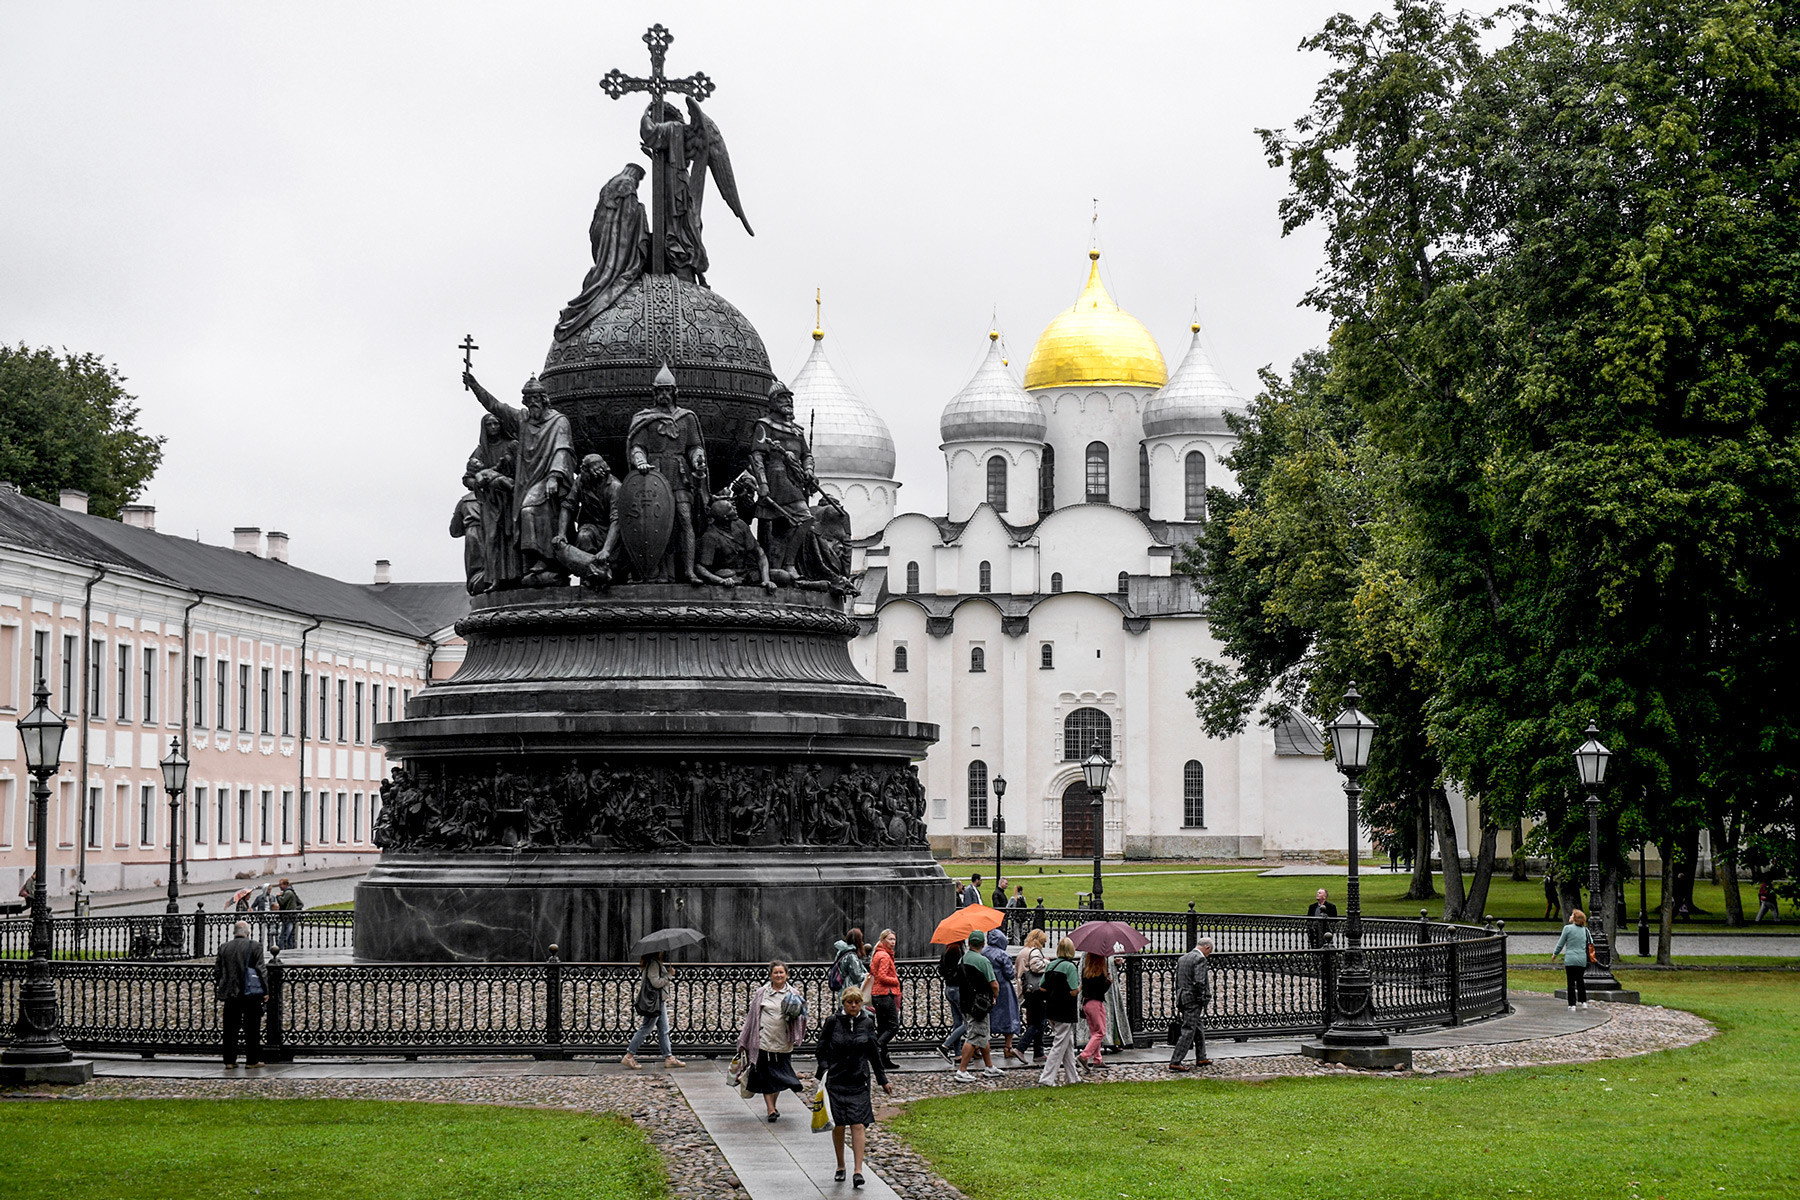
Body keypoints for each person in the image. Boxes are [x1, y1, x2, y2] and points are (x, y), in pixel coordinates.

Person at [814, 986, 893, 1190]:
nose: (854, 1006)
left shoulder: (867, 1023)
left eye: (857, 1002)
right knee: (839, 1124)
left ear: (861, 1004)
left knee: (858, 1124)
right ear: (844, 1003)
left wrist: (882, 1079)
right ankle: (841, 1165)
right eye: (850, 1002)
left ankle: (858, 1170)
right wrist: (825, 1069)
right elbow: (820, 1049)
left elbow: (873, 1053)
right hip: (837, 1079)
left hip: (858, 1079)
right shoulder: (833, 1022)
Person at [737, 961, 808, 1121]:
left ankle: (773, 1106)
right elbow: (752, 1017)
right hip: (764, 1039)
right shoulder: (762, 993)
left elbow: (802, 1016)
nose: (778, 975)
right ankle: (770, 1109)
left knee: (778, 1076)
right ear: (770, 975)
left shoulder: (793, 993)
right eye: (775, 972)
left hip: (783, 1040)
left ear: (786, 975)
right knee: (766, 1075)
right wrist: (744, 1039)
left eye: (781, 972)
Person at [951, 929, 1003, 1083]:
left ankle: (989, 1066)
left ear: (969, 943)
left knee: (982, 1034)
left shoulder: (963, 959)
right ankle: (962, 1070)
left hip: (966, 1003)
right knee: (974, 1037)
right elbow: (994, 984)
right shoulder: (983, 961)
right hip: (979, 1005)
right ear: (983, 944)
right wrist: (994, 997)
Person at [214, 919, 267, 1068]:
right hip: (250, 992)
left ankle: (230, 1060)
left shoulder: (224, 947)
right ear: (247, 933)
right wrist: (266, 990)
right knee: (252, 1027)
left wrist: (222, 985)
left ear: (234, 933)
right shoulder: (255, 946)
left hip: (230, 992)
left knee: (230, 1028)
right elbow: (261, 970)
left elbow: (218, 971)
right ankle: (252, 1060)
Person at [622, 951, 687, 1070]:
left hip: (658, 1001)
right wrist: (669, 975)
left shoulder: (654, 962)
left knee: (664, 1030)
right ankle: (629, 1056)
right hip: (654, 1002)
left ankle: (669, 1058)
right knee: (646, 1028)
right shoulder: (653, 963)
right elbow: (656, 983)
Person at [1036, 937, 1083, 1086]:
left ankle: (1073, 1077)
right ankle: (1047, 1078)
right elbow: (1074, 991)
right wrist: (1081, 986)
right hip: (1065, 1010)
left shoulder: (1051, 966)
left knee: (1067, 1043)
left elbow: (1042, 987)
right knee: (1059, 1044)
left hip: (1051, 1008)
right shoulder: (1070, 967)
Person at [1168, 936, 1213, 1071]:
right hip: (1193, 999)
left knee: (1198, 1026)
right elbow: (1200, 981)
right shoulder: (1200, 959)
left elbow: (1178, 981)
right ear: (1207, 947)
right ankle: (1176, 1061)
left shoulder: (1183, 958)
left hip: (1183, 997)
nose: (1208, 954)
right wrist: (1202, 997)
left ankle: (1201, 1056)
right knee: (1188, 1030)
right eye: (1209, 952)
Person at [981, 926, 1023, 1062]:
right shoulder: (1003, 955)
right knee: (1009, 1016)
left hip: (986, 987)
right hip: (1003, 989)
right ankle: (1008, 1047)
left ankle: (979, 1047)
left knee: (985, 1017)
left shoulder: (983, 952)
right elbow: (1009, 974)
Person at [867, 929, 902, 1071]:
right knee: (893, 1026)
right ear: (883, 940)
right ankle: (876, 1047)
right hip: (884, 995)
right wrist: (896, 980)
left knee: (882, 1028)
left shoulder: (879, 954)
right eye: (890, 939)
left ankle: (883, 1060)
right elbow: (881, 977)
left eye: (894, 939)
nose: (893, 942)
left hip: (878, 995)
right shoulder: (884, 956)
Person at [1015, 928, 1050, 1061]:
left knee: (1035, 1021)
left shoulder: (1023, 952)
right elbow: (1036, 967)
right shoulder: (1034, 952)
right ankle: (1021, 1047)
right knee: (1039, 1022)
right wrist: (1047, 962)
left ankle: (1038, 1052)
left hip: (1026, 991)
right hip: (1036, 992)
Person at [1553, 909, 1594, 1010]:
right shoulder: (1585, 930)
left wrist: (1555, 954)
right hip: (1582, 959)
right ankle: (1583, 1001)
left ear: (1575, 918)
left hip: (1570, 959)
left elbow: (1561, 943)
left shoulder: (1567, 928)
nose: (1570, 916)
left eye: (1572, 915)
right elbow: (1591, 942)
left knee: (1570, 982)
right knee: (1580, 980)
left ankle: (1572, 1004)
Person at [1077, 952, 1112, 1069]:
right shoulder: (1100, 974)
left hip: (1087, 1003)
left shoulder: (1086, 972)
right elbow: (1101, 990)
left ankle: (1098, 1059)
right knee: (1100, 1032)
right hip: (1096, 1003)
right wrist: (1108, 982)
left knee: (1094, 1032)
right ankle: (1084, 1056)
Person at [937, 937, 966, 1060]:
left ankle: (958, 1053)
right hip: (958, 988)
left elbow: (941, 969)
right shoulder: (956, 949)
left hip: (949, 988)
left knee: (958, 1022)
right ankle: (945, 1046)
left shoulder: (947, 949)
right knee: (969, 1023)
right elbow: (960, 970)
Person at [831, 927, 869, 1003]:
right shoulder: (852, 956)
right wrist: (867, 976)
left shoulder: (842, 951)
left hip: (844, 989)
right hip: (851, 990)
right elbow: (857, 976)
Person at [274, 877, 302, 951]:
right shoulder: (289, 892)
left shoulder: (288, 892)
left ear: (285, 884)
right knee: (289, 936)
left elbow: (282, 902)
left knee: (285, 935)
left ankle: (281, 949)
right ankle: (289, 949)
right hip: (289, 917)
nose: (279, 886)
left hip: (288, 917)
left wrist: (278, 896)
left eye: (281, 884)